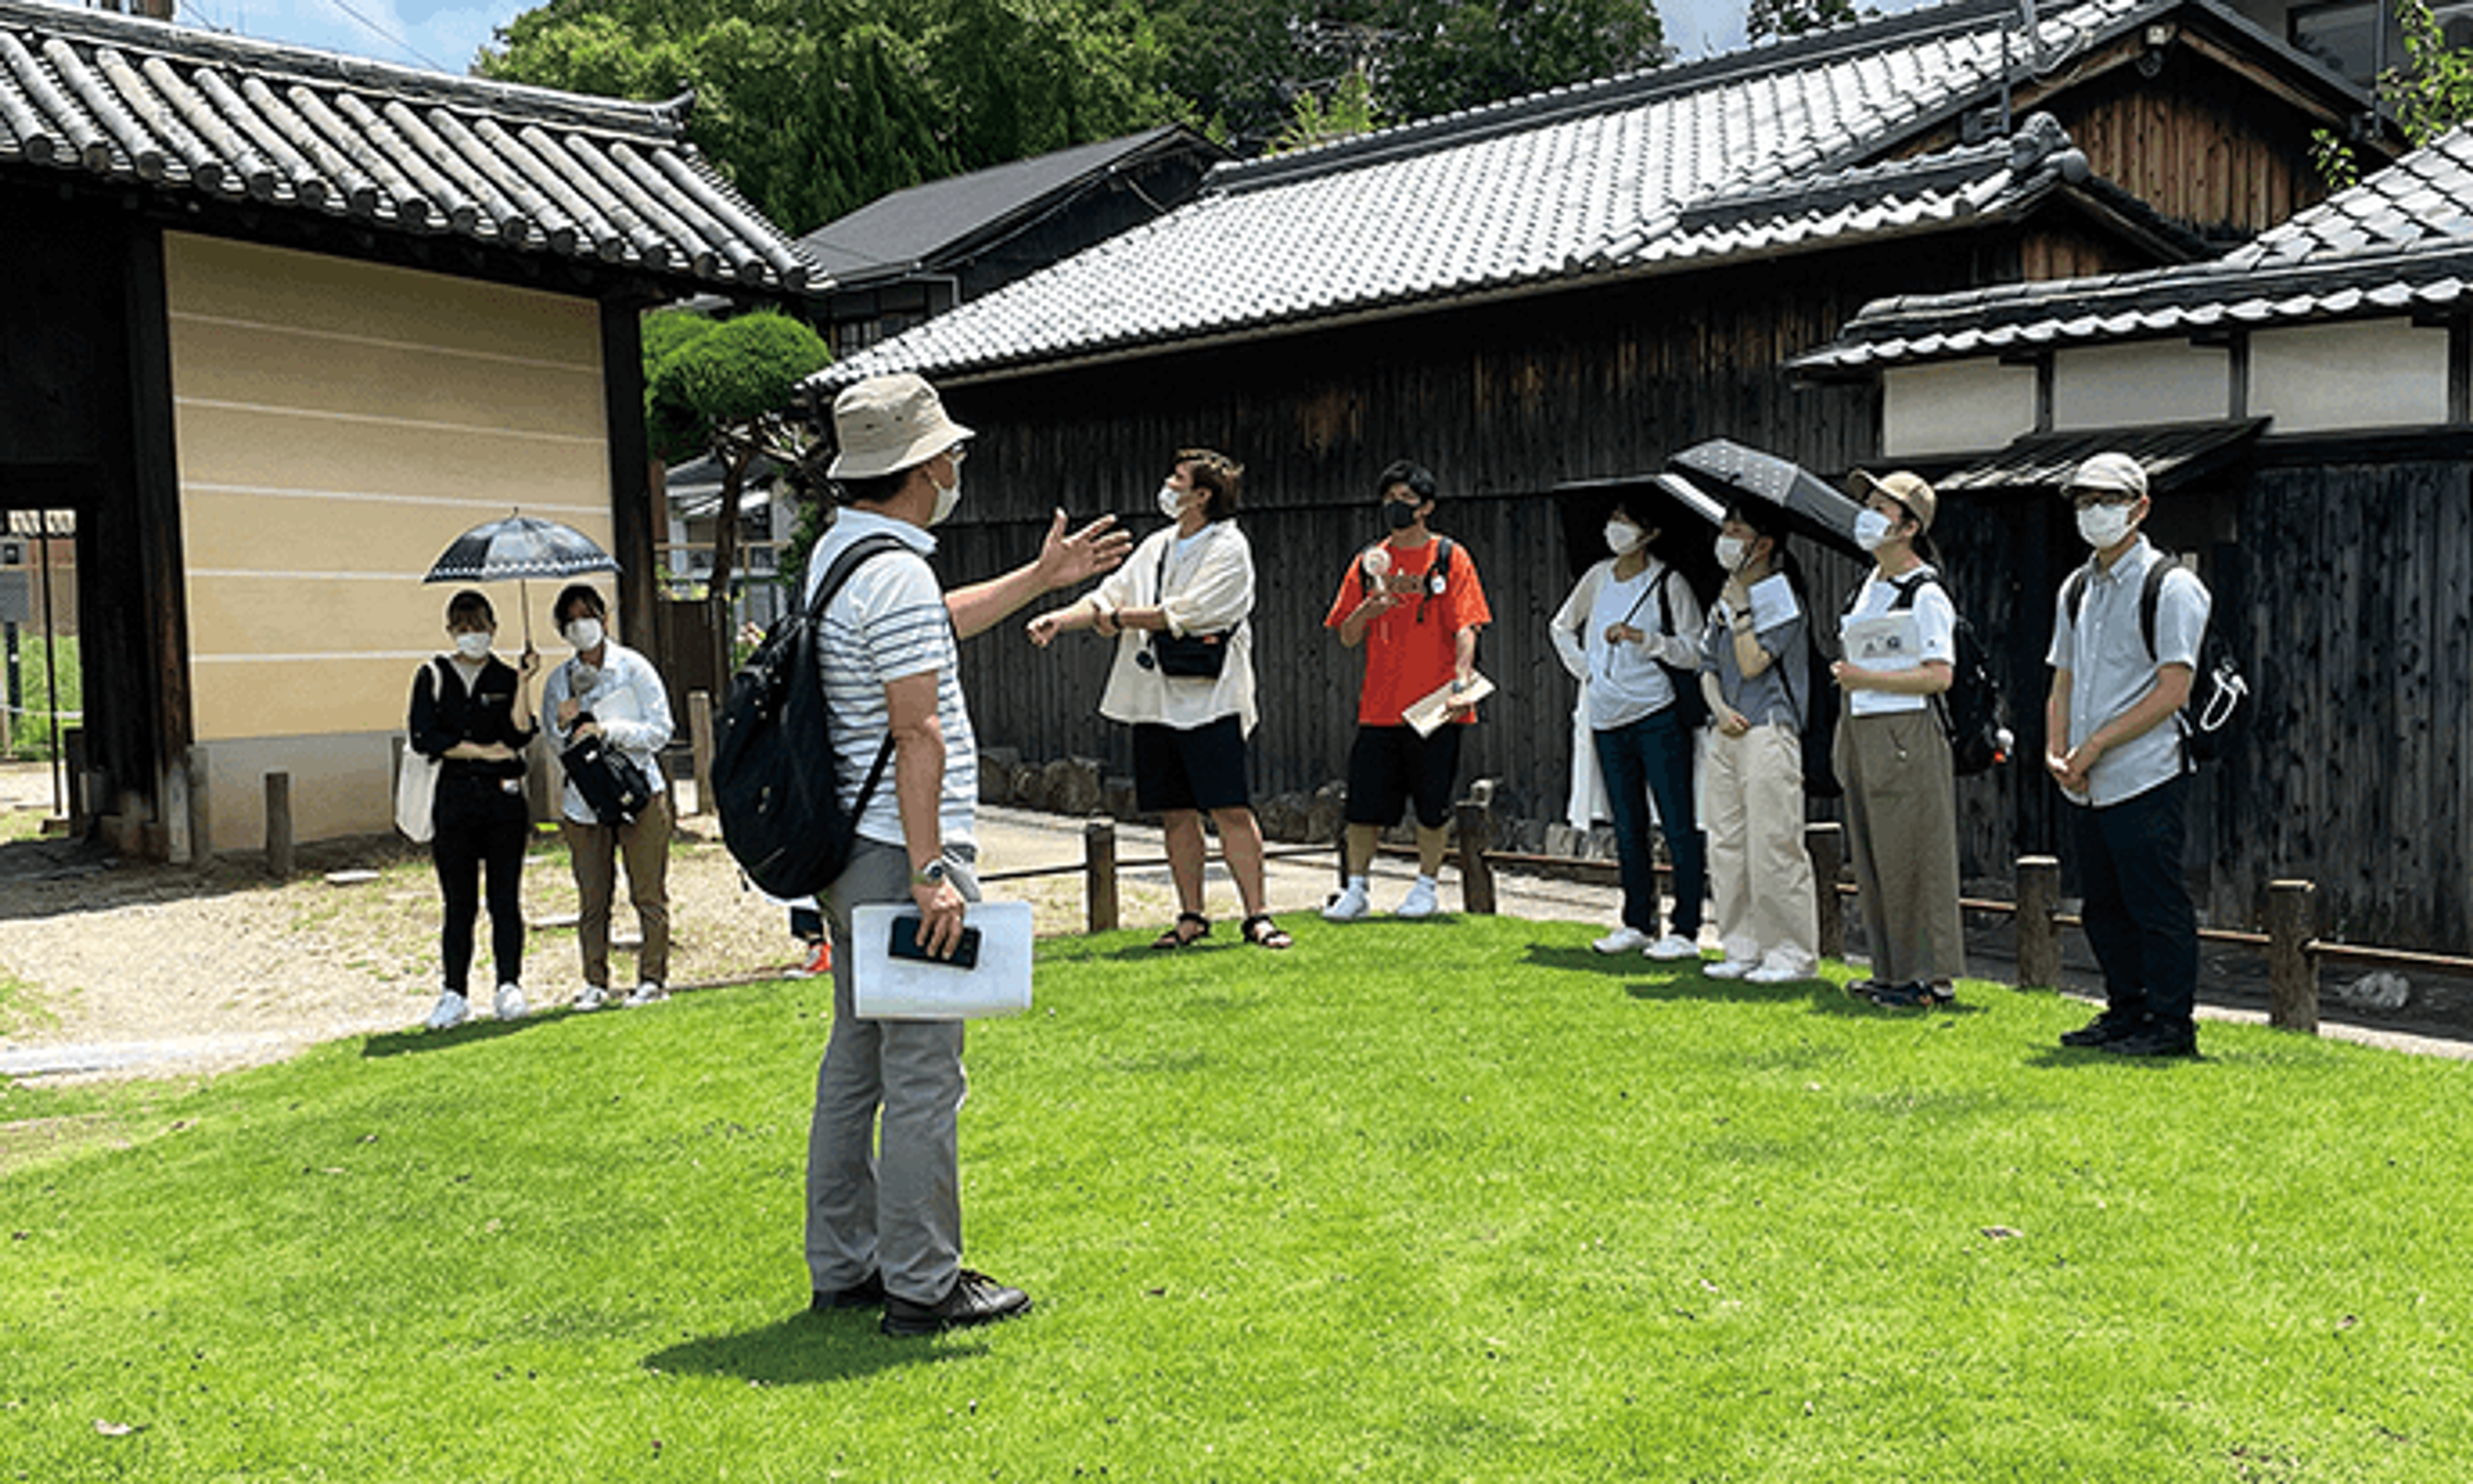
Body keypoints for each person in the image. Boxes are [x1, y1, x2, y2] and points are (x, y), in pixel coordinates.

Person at [802, 371, 1128, 1337]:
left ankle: (846, 1265)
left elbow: (936, 621)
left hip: (848, 849)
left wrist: (1040, 579)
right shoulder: (893, 570)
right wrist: (933, 868)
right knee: (924, 1073)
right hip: (898, 848)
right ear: (921, 466)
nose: (957, 466)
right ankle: (922, 1281)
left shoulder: (841, 556)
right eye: (949, 452)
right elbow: (918, 734)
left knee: (856, 1063)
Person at [1025, 449, 1290, 950]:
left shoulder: (1229, 548)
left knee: (1230, 807)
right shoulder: (1158, 545)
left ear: (1202, 495)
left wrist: (1122, 620)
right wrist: (1061, 619)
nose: (1168, 485)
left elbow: (1189, 613)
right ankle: (1191, 914)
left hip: (1212, 698)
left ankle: (1258, 915)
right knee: (1174, 811)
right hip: (1155, 698)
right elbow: (1111, 595)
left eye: (1178, 478)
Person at [2045, 452, 2210, 1058]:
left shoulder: (2171, 585)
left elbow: (2174, 689)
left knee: (2156, 902)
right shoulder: (2076, 586)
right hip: (2087, 777)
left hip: (2147, 770)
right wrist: (2055, 751)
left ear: (2140, 507)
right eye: (2084, 501)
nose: (2094, 513)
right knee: (2102, 904)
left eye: (2107, 500)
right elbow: (2062, 677)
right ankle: (2126, 1009)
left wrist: (2092, 747)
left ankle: (2171, 1024)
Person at [1322, 460, 1492, 921]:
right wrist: (1368, 611)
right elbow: (1346, 634)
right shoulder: (1368, 561)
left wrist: (1461, 680)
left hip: (1435, 704)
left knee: (1432, 803)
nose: (1395, 508)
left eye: (1406, 500)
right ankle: (1355, 888)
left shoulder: (1450, 556)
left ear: (1427, 507)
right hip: (1379, 704)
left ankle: (1426, 886)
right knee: (1363, 805)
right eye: (1389, 499)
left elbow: (1467, 624)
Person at [1831, 471, 1966, 1008]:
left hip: (1905, 728)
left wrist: (1867, 679)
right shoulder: (1870, 584)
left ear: (1910, 526)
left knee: (1914, 851)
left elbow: (1939, 676)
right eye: (1867, 504)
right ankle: (1889, 969)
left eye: (1882, 508)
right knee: (1873, 850)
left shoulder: (1925, 592)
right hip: (1862, 724)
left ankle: (1926, 976)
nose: (1868, 514)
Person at [1553, 499, 1706, 960]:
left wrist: (1647, 640)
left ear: (1650, 532)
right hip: (1606, 716)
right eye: (1613, 518)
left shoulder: (1668, 582)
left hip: (1656, 713)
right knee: (1627, 824)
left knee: (1677, 823)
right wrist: (1587, 671)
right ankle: (1637, 920)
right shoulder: (1598, 576)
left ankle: (1685, 927)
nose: (1615, 528)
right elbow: (1561, 626)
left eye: (1627, 520)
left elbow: (1695, 650)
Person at [1696, 503, 1819, 982]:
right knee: (1726, 841)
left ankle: (1790, 953)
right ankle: (1741, 945)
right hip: (1725, 729)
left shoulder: (1780, 595)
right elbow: (1708, 663)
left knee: (1773, 840)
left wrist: (1742, 609)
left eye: (1736, 530)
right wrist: (1719, 710)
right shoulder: (1722, 597)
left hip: (1769, 728)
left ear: (1763, 544)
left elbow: (1753, 663)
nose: (1725, 537)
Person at [407, 589, 540, 1029]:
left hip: (503, 801)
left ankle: (509, 984)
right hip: (454, 800)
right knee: (458, 902)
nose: (472, 635)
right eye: (463, 628)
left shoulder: (504, 676)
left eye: (479, 627)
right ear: (450, 631)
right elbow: (426, 737)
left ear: (493, 627)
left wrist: (525, 681)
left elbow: (519, 734)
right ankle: (454, 992)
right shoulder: (433, 675)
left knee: (505, 897)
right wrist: (480, 752)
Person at [541, 584, 675, 1011]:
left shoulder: (634, 669)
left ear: (604, 619)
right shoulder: (559, 682)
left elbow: (660, 729)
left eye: (588, 615)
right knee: (593, 896)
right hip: (585, 801)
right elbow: (554, 740)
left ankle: (653, 977)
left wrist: (607, 729)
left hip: (639, 793)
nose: (582, 625)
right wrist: (569, 725)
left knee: (648, 891)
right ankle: (595, 980)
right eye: (572, 619)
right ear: (563, 629)